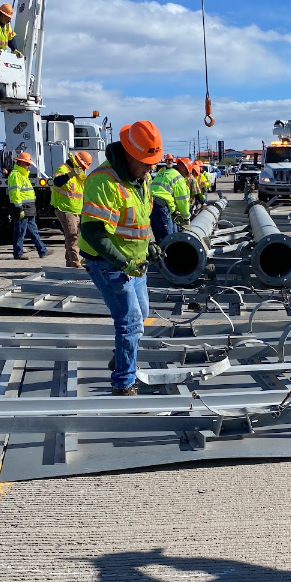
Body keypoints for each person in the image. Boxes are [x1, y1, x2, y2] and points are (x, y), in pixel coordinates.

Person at [78, 120, 162, 396]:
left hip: (134, 263)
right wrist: (123, 262)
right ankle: (123, 382)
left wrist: (149, 243)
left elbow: (141, 218)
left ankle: (121, 355)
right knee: (130, 320)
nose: (151, 168)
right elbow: (93, 232)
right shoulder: (103, 182)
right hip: (108, 263)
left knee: (142, 314)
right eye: (146, 162)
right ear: (129, 154)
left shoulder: (140, 179)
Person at [51, 150, 92, 268]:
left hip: (76, 210)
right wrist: (71, 174)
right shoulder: (64, 169)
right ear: (78, 162)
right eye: (83, 166)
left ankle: (70, 262)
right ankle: (74, 263)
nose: (83, 169)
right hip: (65, 208)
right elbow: (57, 182)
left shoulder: (80, 176)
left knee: (74, 236)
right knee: (73, 236)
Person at [8, 152, 51, 261]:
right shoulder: (16, 175)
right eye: (27, 164)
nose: (29, 166)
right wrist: (18, 207)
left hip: (29, 207)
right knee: (20, 231)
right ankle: (18, 253)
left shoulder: (22, 175)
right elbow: (14, 192)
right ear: (21, 162)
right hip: (22, 207)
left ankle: (42, 251)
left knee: (33, 231)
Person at [150, 156, 192, 242]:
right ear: (184, 168)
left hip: (150, 204)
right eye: (187, 172)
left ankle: (160, 254)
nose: (185, 176)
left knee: (160, 239)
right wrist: (186, 218)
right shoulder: (178, 177)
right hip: (161, 207)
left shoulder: (164, 172)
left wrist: (173, 211)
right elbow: (182, 200)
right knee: (169, 241)